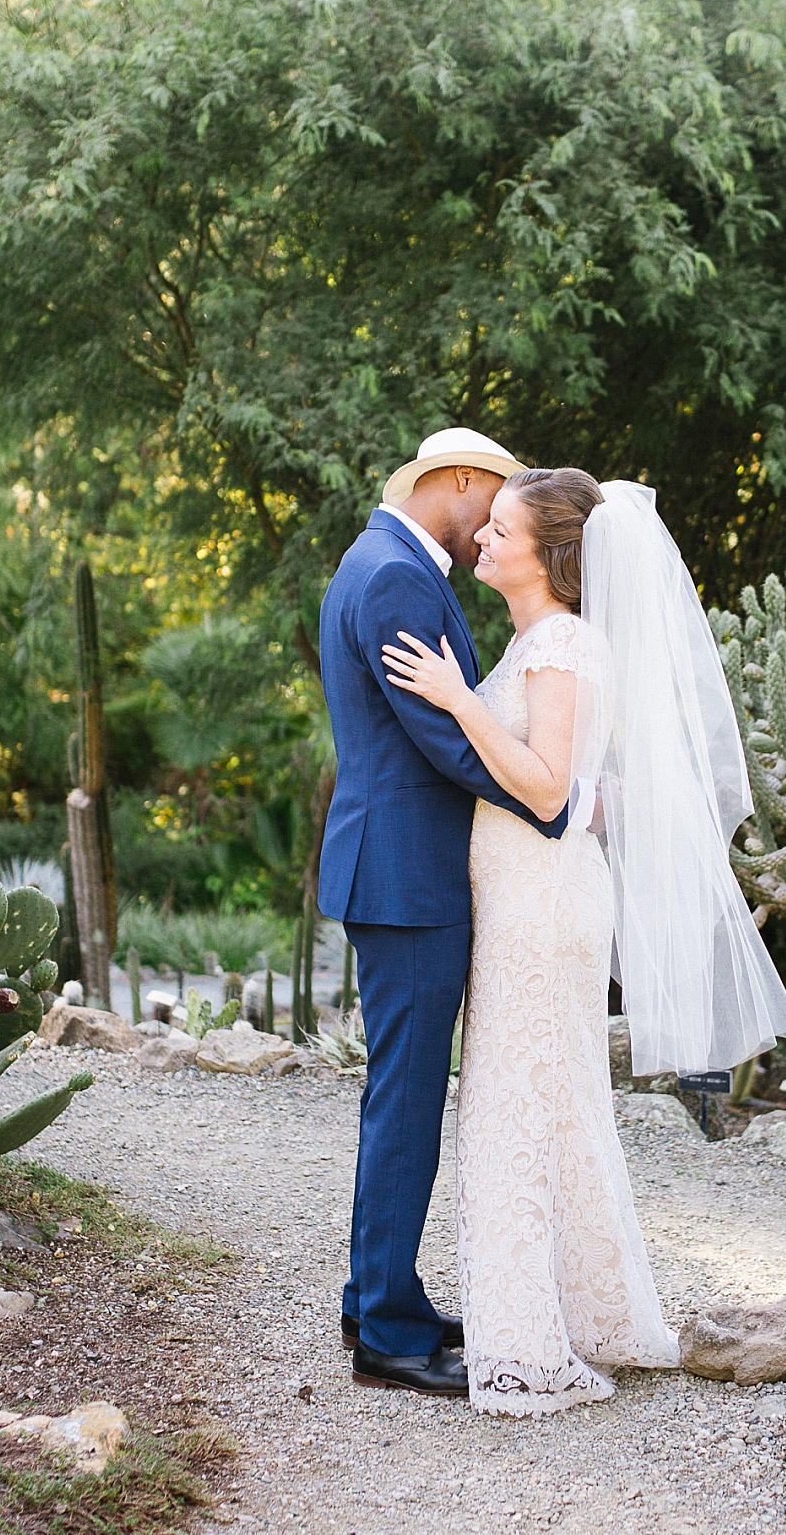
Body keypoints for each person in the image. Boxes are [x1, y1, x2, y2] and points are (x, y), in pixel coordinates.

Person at [383, 467, 786, 1418]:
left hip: (542, 906)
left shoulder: (564, 643)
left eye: (501, 529)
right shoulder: (540, 638)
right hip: (528, 898)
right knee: (552, 1104)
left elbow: (547, 789)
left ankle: (528, 1344)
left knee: (518, 1108)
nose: (481, 537)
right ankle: (592, 1312)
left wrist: (456, 698)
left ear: (549, 553)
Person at [318, 431, 557, 1398]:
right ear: (457, 480)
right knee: (407, 1097)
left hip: (400, 872)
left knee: (401, 1090)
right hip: (408, 881)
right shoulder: (394, 579)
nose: (500, 520)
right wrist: (551, 801)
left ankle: (378, 1296)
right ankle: (386, 1329)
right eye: (498, 498)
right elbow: (442, 741)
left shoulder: (387, 562)